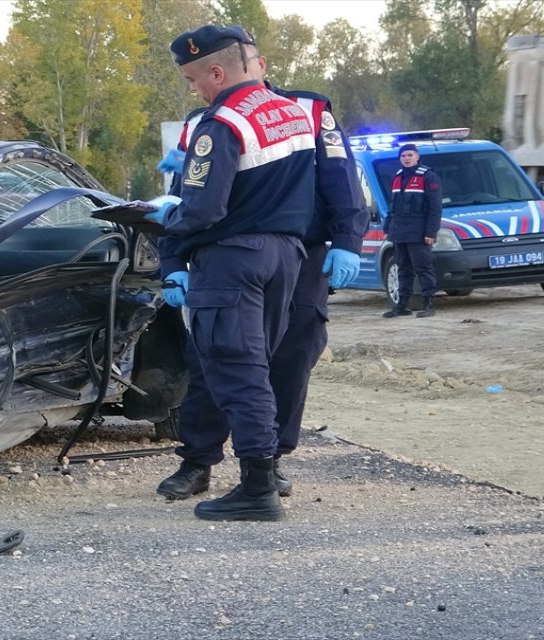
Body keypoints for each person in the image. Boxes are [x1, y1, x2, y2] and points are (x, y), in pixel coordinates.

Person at [154, 32, 368, 504]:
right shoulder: (205, 122)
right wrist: (174, 264)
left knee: (291, 354)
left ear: (256, 62)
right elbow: (181, 196)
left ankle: (269, 463)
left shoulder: (308, 110)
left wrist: (348, 241)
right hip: (231, 253)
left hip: (303, 254)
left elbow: (343, 181)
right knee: (215, 356)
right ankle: (198, 459)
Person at [143, 24, 316, 522]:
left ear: (216, 72)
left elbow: (200, 210)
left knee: (238, 374)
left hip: (231, 261)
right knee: (258, 368)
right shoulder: (291, 112)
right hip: (285, 255)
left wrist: (158, 218)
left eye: (195, 80)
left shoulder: (220, 123)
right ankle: (257, 473)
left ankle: (257, 488)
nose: (194, 90)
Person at [381, 143, 443, 318]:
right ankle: (402, 305)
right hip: (399, 232)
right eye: (403, 156)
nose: (406, 159)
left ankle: (428, 304)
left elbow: (435, 207)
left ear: (417, 157)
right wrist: (387, 228)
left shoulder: (428, 177)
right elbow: (393, 207)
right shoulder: (398, 177)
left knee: (424, 268)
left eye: (409, 155)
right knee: (403, 270)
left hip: (419, 233)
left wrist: (431, 232)